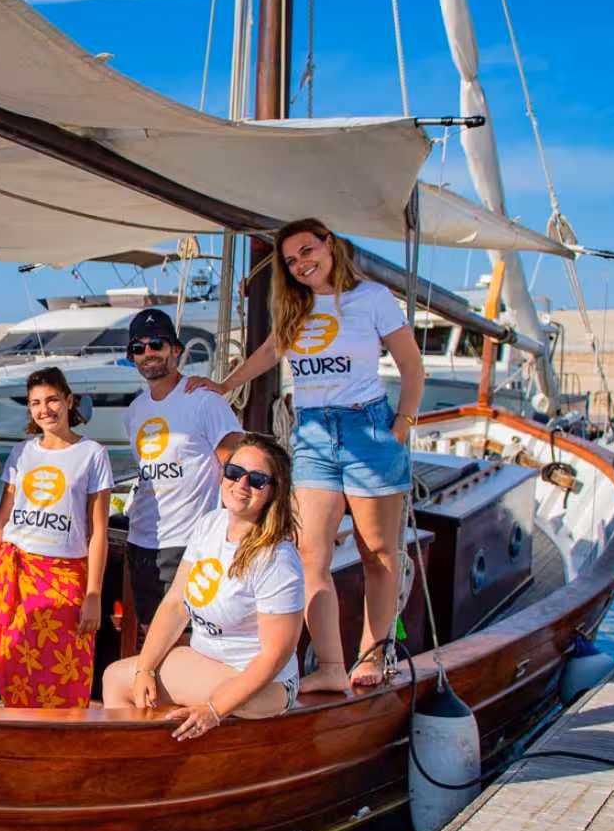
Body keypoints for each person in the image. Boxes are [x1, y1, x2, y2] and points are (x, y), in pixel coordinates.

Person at [189, 218, 425, 692]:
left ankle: (372, 655)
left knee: (376, 552)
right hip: (313, 432)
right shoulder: (296, 309)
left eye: (307, 251)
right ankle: (332, 667)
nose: (301, 264)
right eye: (292, 261)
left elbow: (411, 365)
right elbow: (268, 353)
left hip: (369, 429)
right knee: (308, 554)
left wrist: (401, 426)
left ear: (329, 245)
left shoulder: (373, 299)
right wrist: (225, 384)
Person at [102, 434, 305, 740]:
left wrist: (213, 709)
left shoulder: (277, 559)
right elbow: (175, 604)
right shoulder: (210, 524)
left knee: (124, 680)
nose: (241, 485)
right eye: (234, 473)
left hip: (267, 683)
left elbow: (274, 656)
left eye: (257, 480)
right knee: (119, 678)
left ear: (275, 491)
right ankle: (132, 762)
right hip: (206, 662)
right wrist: (145, 668)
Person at [0, 368, 112, 709]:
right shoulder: (22, 452)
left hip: (65, 574)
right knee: (14, 664)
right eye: (35, 403)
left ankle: (64, 741)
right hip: (15, 573)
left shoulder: (93, 453)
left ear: (69, 401)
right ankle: (21, 739)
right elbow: (2, 520)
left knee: (67, 665)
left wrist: (94, 594)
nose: (44, 409)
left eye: (52, 399)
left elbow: (97, 532)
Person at [123, 307, 243, 639]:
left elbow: (236, 464)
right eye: (139, 347)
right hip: (143, 539)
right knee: (151, 632)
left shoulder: (204, 401)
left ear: (176, 350)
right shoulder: (135, 410)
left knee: (189, 637)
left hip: (189, 542)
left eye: (157, 344)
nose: (148, 353)